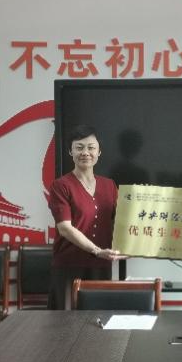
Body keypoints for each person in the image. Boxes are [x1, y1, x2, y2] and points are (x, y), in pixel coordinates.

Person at [47, 125, 124, 310]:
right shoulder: (61, 186)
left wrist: (134, 245)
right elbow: (65, 228)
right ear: (70, 151)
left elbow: (121, 222)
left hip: (101, 264)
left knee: (99, 318)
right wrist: (96, 250)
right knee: (65, 321)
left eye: (91, 147)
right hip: (69, 265)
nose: (85, 152)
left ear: (99, 152)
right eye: (79, 147)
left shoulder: (110, 185)